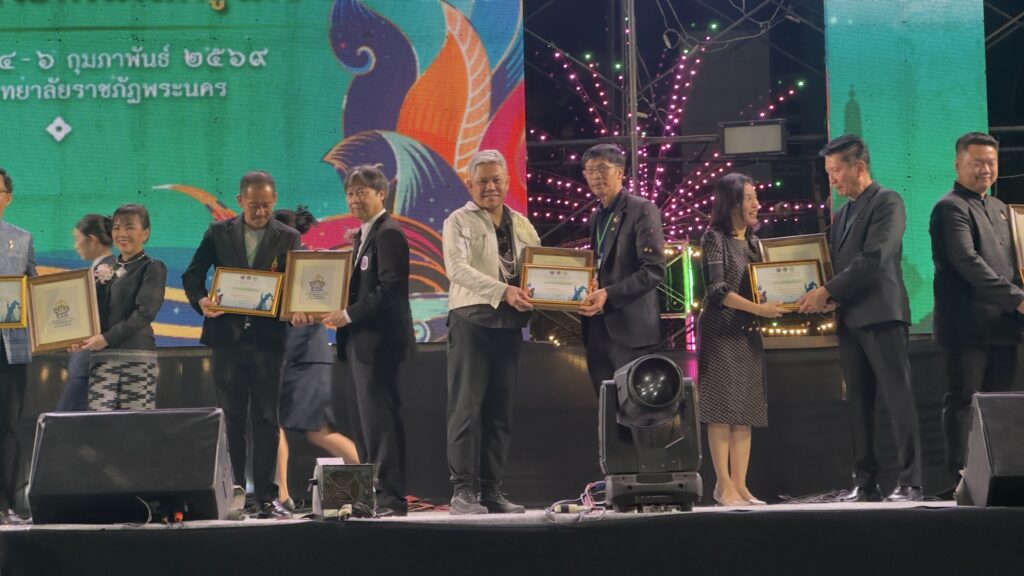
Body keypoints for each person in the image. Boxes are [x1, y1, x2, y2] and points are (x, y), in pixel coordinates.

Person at [798, 135, 923, 502]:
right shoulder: (843, 214)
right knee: (858, 403)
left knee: (897, 398)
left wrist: (828, 291)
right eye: (828, 172)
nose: (832, 179)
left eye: (836, 171)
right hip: (850, 319)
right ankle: (866, 483)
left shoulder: (888, 201)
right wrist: (826, 296)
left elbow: (875, 257)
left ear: (860, 167)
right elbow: (838, 266)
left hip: (882, 316)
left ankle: (912, 481)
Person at [182, 170, 300, 518]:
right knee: (231, 419)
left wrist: (300, 307)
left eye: (266, 205)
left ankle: (266, 497)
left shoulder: (289, 236)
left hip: (269, 341)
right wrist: (202, 301)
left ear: (274, 200)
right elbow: (192, 274)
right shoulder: (218, 232)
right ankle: (233, 494)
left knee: (266, 418)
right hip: (227, 340)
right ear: (239, 201)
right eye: (253, 206)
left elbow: (297, 283)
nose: (260, 212)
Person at [299, 166, 415, 517]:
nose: (354, 199)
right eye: (350, 193)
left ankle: (391, 497)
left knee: (381, 422)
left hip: (379, 344)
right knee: (366, 425)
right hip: (360, 344)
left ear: (381, 194)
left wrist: (347, 315)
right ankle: (372, 495)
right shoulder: (367, 233)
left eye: (362, 192)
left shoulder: (389, 233)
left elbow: (391, 289)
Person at [442, 149, 539, 515]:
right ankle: (462, 492)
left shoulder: (522, 224)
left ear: (508, 182)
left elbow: (541, 266)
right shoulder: (458, 220)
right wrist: (503, 291)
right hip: (472, 320)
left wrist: (567, 288)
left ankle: (492, 491)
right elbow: (456, 269)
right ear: (470, 184)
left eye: (496, 180)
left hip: (509, 324)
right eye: (482, 181)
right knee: (466, 409)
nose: (490, 187)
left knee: (500, 412)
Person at [929, 132, 1024, 480]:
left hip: (1003, 325)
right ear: (958, 164)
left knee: (1001, 404)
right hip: (966, 328)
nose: (985, 169)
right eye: (977, 163)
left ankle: (998, 477)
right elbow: (967, 262)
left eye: (991, 162)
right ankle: (963, 478)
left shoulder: (1001, 209)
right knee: (965, 403)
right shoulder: (949, 207)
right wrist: (1017, 298)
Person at [697, 173, 785, 506]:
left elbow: (769, 284)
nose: (756, 204)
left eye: (755, 197)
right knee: (722, 408)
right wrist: (760, 309)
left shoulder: (755, 243)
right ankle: (723, 485)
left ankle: (741, 485)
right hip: (720, 330)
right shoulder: (713, 238)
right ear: (731, 202)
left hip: (747, 331)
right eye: (749, 198)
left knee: (745, 410)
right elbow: (717, 291)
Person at [272, 206, 360, 512]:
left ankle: (366, 487)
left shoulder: (311, 266)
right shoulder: (274, 267)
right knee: (276, 425)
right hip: (286, 358)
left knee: (318, 432)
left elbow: (328, 307)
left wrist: (309, 313)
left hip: (307, 358)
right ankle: (281, 495)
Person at [577, 144, 666, 395]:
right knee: (606, 406)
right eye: (590, 170)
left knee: (636, 408)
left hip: (632, 331)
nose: (596, 176)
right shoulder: (596, 217)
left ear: (620, 172)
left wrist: (608, 293)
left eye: (603, 169)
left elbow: (654, 270)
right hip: (597, 327)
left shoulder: (642, 209)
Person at [73, 204, 166, 411]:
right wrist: (76, 338)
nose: (122, 234)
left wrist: (106, 339)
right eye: (116, 228)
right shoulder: (104, 269)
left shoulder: (152, 267)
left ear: (146, 233)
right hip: (102, 360)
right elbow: (89, 310)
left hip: (137, 361)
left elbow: (145, 313)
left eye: (129, 227)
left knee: (134, 426)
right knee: (100, 424)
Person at [0, 168, 35, 525]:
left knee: (9, 427)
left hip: (10, 349)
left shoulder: (22, 239)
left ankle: (7, 505)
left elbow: (36, 292)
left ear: (7, 198)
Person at [56, 214, 116, 412]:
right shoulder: (114, 268)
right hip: (93, 362)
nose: (75, 246)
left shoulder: (104, 273)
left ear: (92, 239)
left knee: (68, 423)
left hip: (92, 363)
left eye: (77, 239)